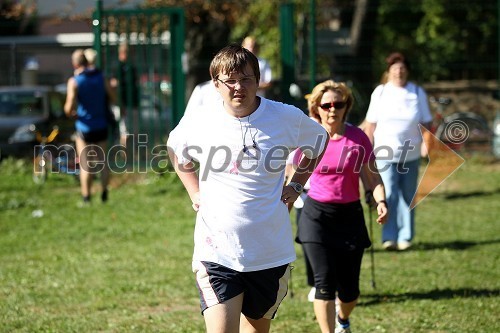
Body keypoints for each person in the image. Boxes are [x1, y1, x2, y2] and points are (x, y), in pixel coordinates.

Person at [167, 44, 328, 333]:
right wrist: (194, 192)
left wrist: (297, 183)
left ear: (258, 80)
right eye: (230, 80)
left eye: (246, 79)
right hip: (216, 252)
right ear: (216, 84)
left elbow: (319, 141)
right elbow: (176, 151)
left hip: (269, 251)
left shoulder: (284, 117)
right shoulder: (201, 120)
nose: (238, 87)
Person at [293, 80, 388, 333]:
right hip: (316, 215)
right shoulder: (309, 138)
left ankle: (343, 319)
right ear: (316, 108)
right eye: (327, 105)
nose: (332, 109)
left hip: (350, 216)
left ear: (347, 107)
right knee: (324, 283)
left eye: (339, 104)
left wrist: (380, 200)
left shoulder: (357, 138)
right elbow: (291, 172)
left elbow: (373, 176)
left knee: (349, 291)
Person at [363, 52, 433, 251]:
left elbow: (426, 122)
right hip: (385, 152)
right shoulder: (380, 92)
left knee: (408, 195)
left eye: (402, 69)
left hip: (410, 154)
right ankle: (389, 236)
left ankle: (405, 236)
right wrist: (367, 151)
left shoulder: (417, 92)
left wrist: (426, 144)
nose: (398, 72)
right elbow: (370, 124)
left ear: (407, 72)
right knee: (389, 193)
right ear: (389, 72)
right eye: (395, 69)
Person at [64, 49, 115, 205]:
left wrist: (71, 111)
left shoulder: (75, 81)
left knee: (86, 164)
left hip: (84, 127)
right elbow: (113, 97)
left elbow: (68, 107)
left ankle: (86, 198)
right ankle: (104, 193)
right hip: (101, 125)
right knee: (103, 161)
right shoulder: (101, 77)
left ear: (75, 64)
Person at [110, 42, 137, 148]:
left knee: (134, 132)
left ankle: (134, 156)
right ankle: (125, 157)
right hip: (122, 104)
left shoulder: (132, 68)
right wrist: (120, 104)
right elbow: (114, 87)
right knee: (124, 131)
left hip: (133, 103)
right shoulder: (117, 68)